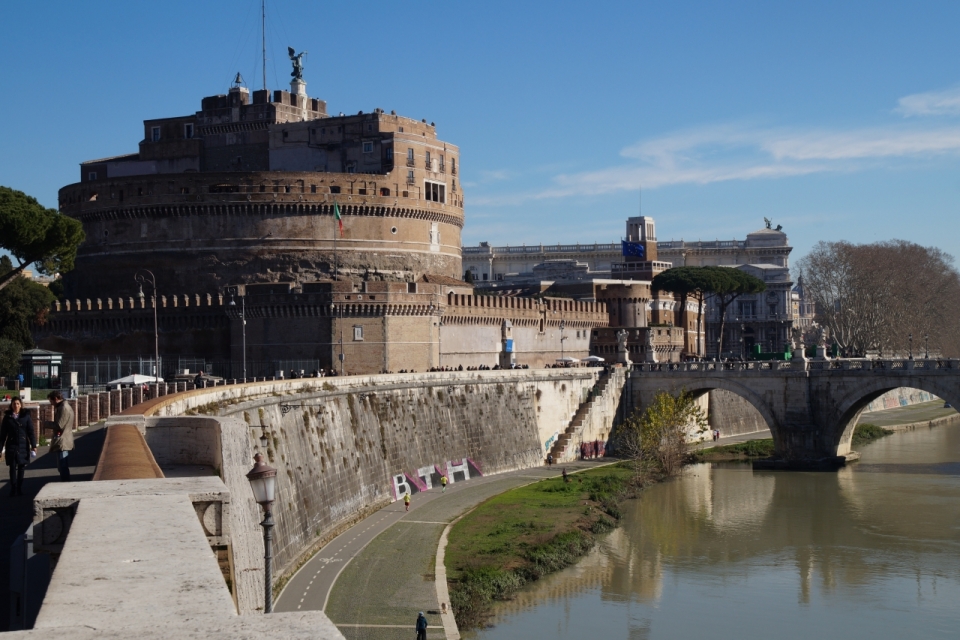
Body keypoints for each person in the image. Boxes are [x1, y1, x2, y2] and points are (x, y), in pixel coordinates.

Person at [1, 398, 36, 496]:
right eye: (14, 404)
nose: (16, 406)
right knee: (12, 467)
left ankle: (19, 487)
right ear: (11, 405)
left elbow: (31, 432)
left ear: (21, 405)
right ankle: (13, 487)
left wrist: (33, 445)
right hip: (11, 445)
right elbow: (3, 435)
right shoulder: (7, 418)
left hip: (23, 445)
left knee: (21, 467)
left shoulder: (26, 417)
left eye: (17, 404)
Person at [46, 391, 75, 482]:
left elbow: (59, 425)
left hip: (63, 441)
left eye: (51, 401)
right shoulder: (63, 407)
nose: (51, 404)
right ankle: (65, 482)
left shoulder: (64, 408)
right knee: (62, 465)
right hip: (63, 439)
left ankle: (65, 483)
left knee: (63, 465)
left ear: (56, 399)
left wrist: (46, 423)